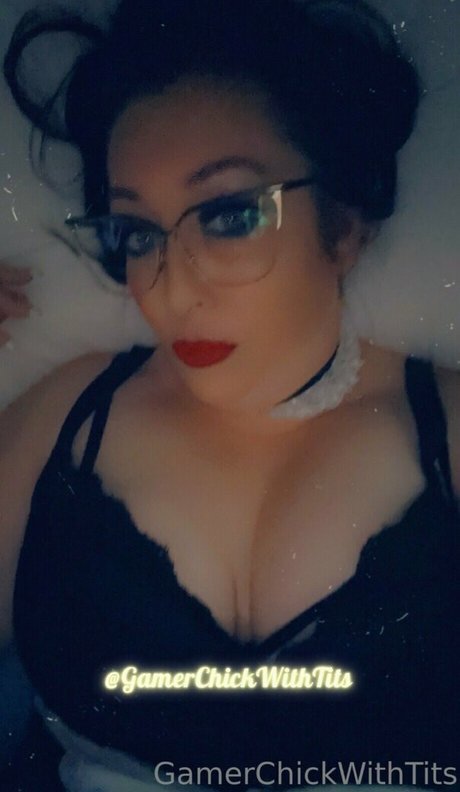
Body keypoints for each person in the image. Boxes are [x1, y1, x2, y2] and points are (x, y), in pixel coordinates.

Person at [0, 0, 459, 790]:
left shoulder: (450, 427)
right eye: (137, 233)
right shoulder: (64, 417)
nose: (172, 289)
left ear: (346, 226)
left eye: (230, 215)